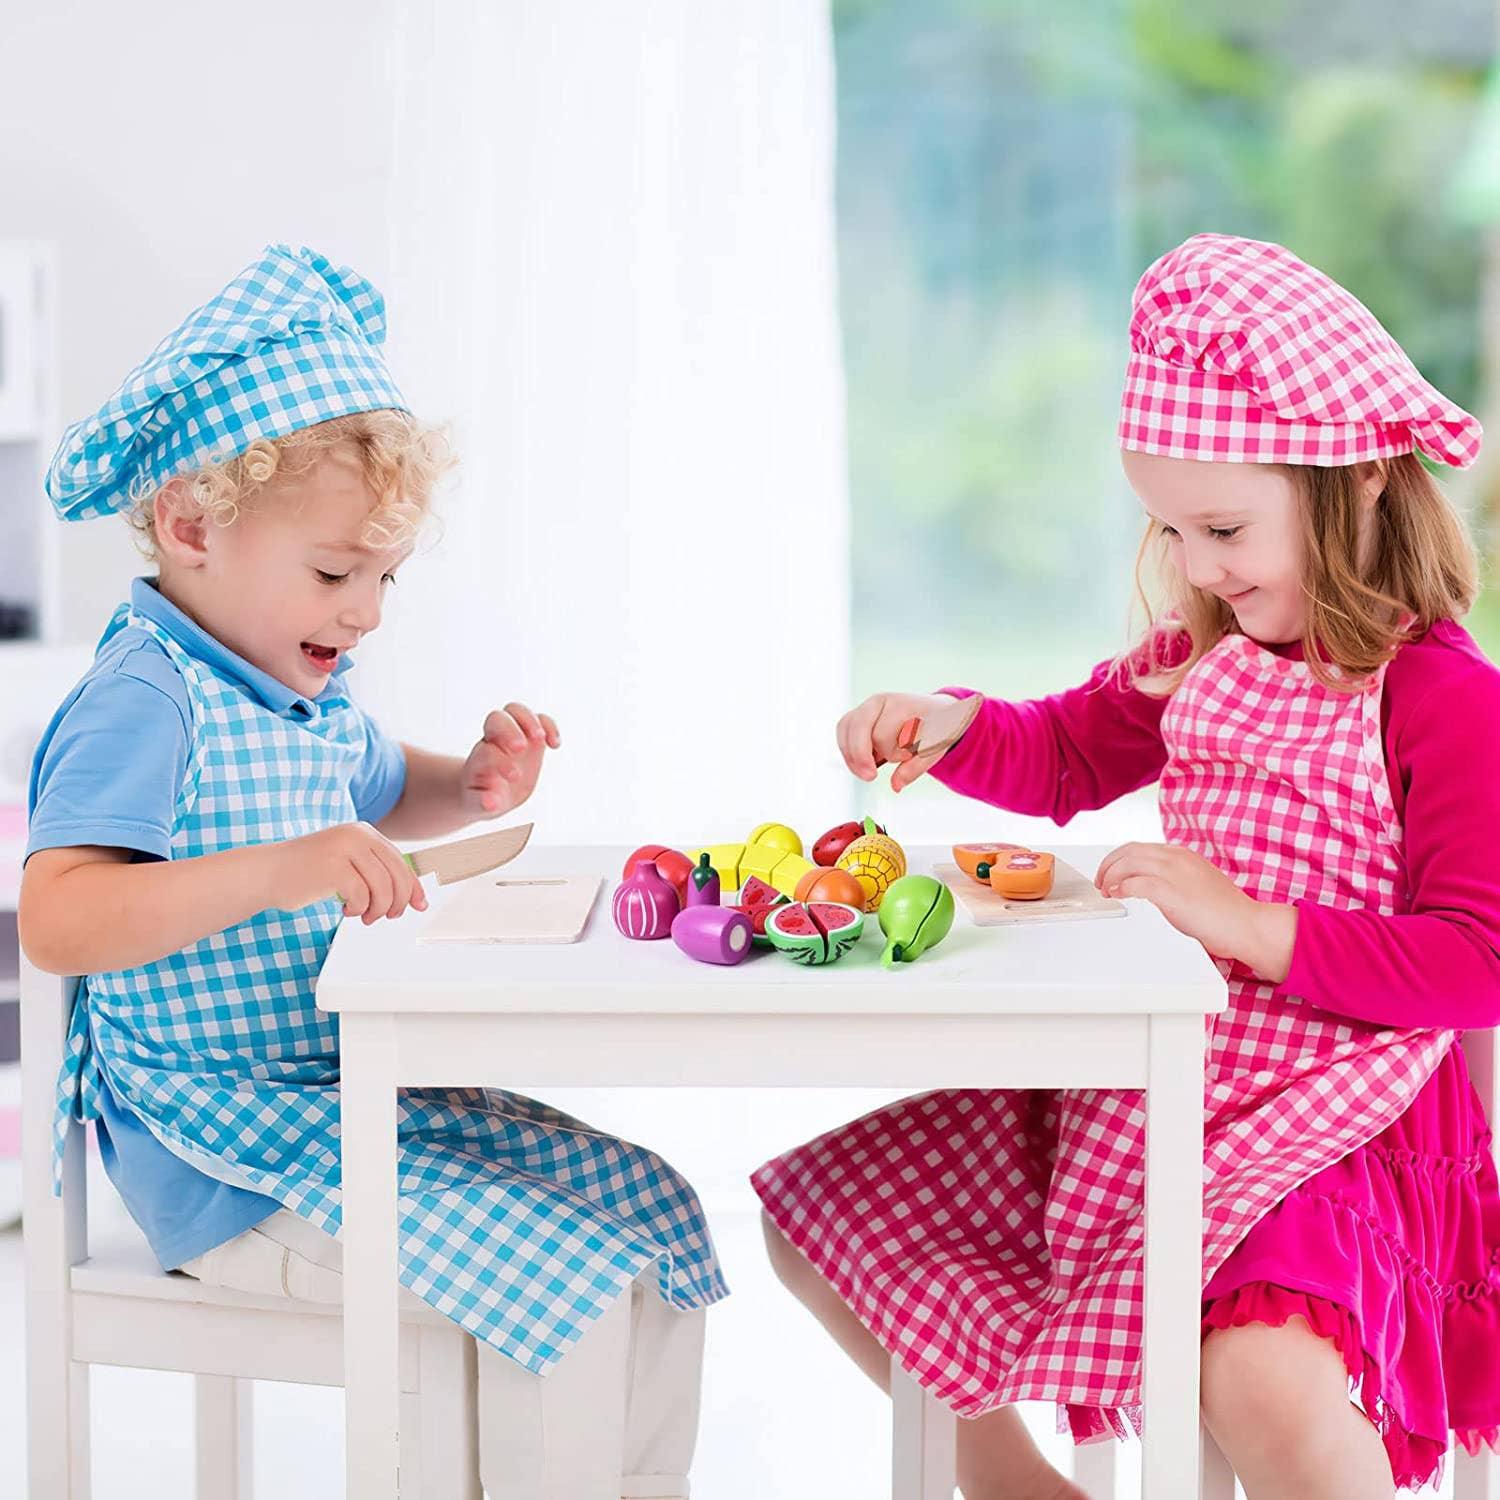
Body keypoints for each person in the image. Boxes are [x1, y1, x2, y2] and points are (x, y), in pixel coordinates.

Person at [754, 234, 1500, 1498]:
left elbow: (1477, 963)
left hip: (1337, 1118)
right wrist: (954, 723)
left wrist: (1252, 924)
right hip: (1146, 1086)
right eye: (1171, 527)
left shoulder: (1441, 698)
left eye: (1225, 526)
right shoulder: (1197, 656)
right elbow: (1057, 756)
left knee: (1259, 1377)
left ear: (1361, 477)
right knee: (825, 1224)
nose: (1200, 565)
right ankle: (1018, 1488)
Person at [20, 244, 725, 1499]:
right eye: (337, 574)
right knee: (550, 1283)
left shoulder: (288, 688)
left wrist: (478, 781)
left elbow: (379, 785)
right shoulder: (146, 697)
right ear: (190, 528)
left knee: (651, 1218)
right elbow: (61, 921)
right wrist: (278, 870)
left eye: (385, 577)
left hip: (350, 1103)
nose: (368, 613)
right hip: (222, 1148)